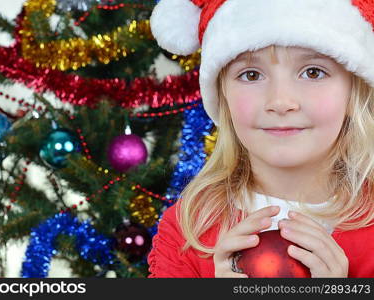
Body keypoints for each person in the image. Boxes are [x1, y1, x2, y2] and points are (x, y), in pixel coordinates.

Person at [147, 0, 374, 278]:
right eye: (251, 75)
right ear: (223, 96)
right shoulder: (188, 231)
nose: (280, 102)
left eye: (313, 72)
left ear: (354, 91)